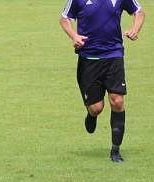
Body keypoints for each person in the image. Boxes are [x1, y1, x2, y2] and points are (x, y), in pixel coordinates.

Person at [59, 0, 145, 163]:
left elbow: (139, 12)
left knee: (117, 101)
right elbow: (64, 18)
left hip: (114, 55)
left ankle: (115, 151)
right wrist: (74, 36)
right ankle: (92, 115)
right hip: (89, 59)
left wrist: (135, 29)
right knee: (96, 108)